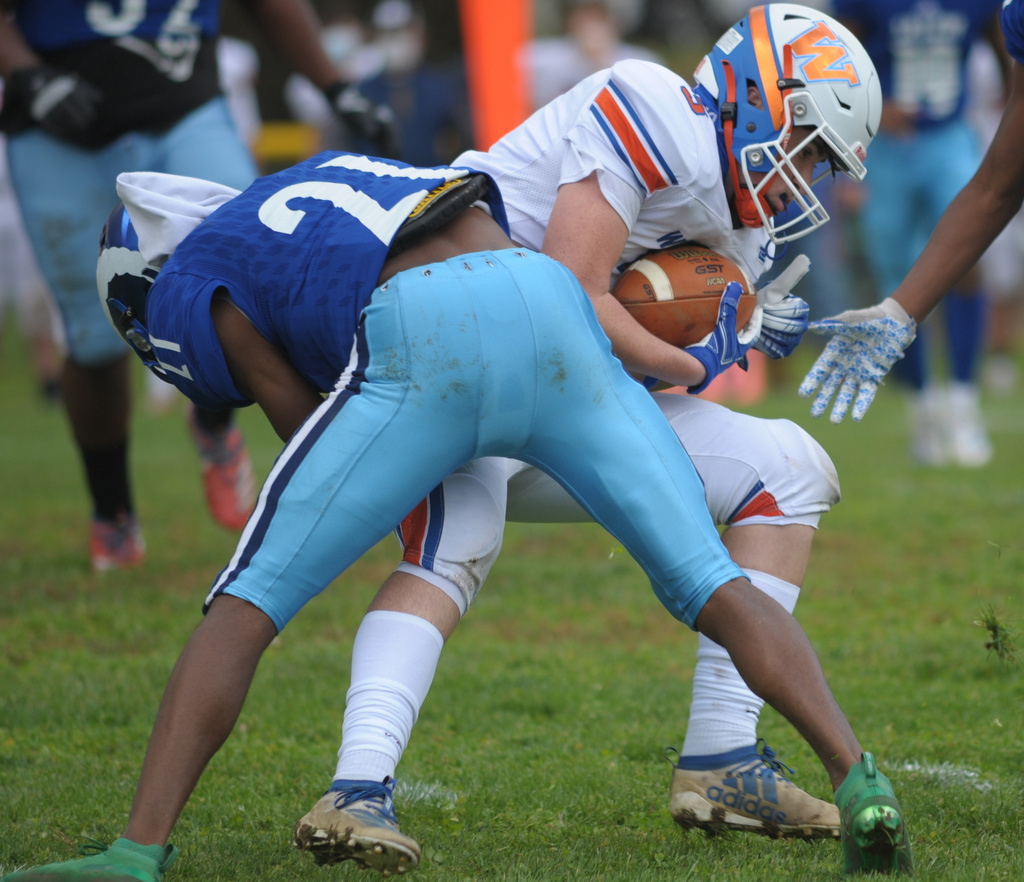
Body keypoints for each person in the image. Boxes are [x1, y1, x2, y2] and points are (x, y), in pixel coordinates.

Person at [0, 148, 910, 882]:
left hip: (425, 330)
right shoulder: (304, 180)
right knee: (709, 580)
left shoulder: (196, 272)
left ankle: (136, 851)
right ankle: (858, 777)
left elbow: (297, 419)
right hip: (548, 295)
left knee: (248, 600)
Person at [295, 2, 894, 857]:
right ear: (764, 95)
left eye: (823, 163)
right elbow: (570, 286)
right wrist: (700, 358)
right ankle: (356, 789)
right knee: (463, 527)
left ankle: (723, 757)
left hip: (559, 402)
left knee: (790, 465)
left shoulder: (745, 230)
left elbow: (616, 370)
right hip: (458, 361)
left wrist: (725, 333)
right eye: (810, 146)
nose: (807, 177)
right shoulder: (656, 103)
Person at [0, 0, 397, 569]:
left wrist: (337, 87)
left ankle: (212, 419)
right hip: (61, 123)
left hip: (185, 108)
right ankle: (112, 511)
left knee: (245, 284)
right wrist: (26, 72)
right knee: (91, 338)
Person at [799, 0, 1024, 426]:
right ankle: (923, 406)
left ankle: (962, 397)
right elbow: (831, 61)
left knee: (968, 269)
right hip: (887, 144)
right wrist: (874, 109)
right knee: (897, 274)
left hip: (949, 135)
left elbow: (1003, 61)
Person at [524, 0, 663, 109]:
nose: (591, 24)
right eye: (585, 15)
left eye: (599, 17)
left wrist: (599, 61)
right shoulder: (539, 56)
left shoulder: (641, 62)